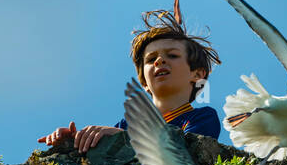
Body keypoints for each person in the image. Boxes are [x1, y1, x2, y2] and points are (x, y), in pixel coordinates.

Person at [39, 10, 221, 153]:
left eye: (172, 55)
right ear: (144, 82)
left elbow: (188, 152)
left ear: (197, 75)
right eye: (150, 60)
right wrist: (74, 140)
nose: (159, 61)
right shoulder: (127, 124)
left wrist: (123, 138)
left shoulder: (203, 117)